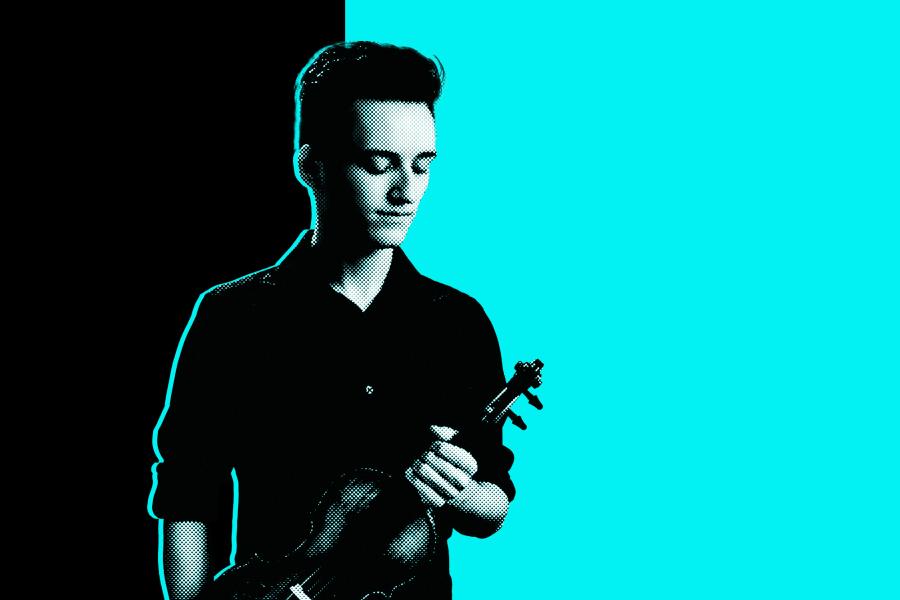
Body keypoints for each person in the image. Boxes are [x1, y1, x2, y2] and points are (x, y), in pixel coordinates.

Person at [148, 41, 516, 600]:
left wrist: (464, 493)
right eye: (380, 163)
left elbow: (493, 505)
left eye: (422, 166)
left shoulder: (458, 322)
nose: (406, 193)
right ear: (312, 167)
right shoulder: (232, 317)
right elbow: (189, 494)